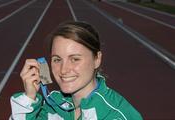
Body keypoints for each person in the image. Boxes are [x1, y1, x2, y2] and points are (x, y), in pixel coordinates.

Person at [9, 21, 143, 120]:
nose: (63, 70)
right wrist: (29, 98)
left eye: (75, 59)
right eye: (57, 59)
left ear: (97, 59)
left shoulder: (116, 115)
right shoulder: (53, 105)